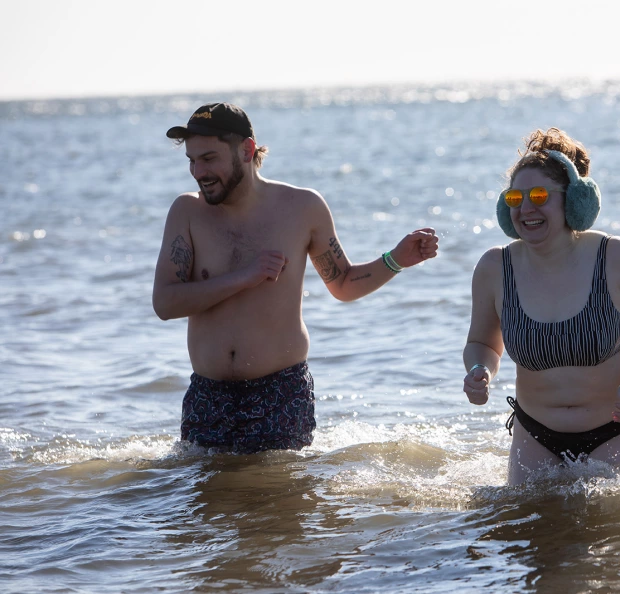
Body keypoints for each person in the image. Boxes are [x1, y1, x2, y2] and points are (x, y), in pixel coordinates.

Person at [153, 102, 438, 454]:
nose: (198, 172)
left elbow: (344, 283)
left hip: (280, 393)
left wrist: (396, 260)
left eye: (209, 158)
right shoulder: (187, 212)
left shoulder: (302, 208)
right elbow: (165, 303)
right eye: (192, 161)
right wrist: (244, 277)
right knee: (210, 506)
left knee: (283, 503)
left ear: (247, 149)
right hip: (208, 397)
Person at [462, 128, 620, 484]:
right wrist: (479, 371)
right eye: (515, 198)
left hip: (617, 430)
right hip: (535, 434)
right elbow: (482, 344)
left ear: (575, 201)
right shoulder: (494, 268)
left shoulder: (616, 257)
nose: (526, 208)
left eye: (540, 195)